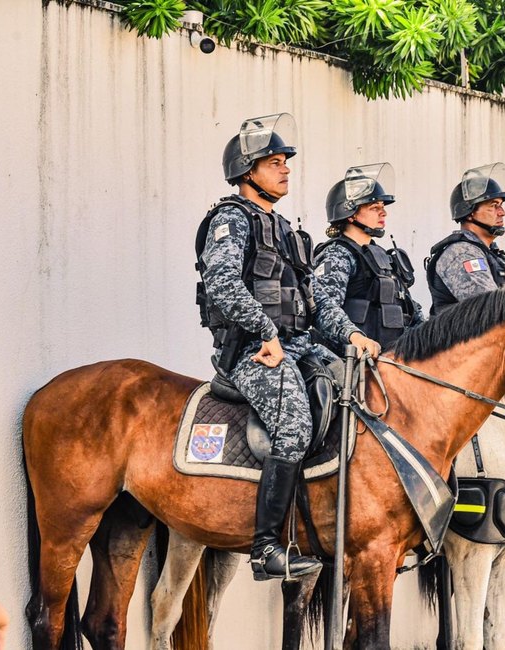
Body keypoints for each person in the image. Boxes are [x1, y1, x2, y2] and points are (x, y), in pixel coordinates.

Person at [195, 113, 332, 580]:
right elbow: (224, 286)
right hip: (252, 352)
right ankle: (265, 547)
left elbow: (313, 301)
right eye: (274, 163)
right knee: (294, 425)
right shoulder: (231, 220)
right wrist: (268, 333)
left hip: (294, 345)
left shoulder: (288, 230)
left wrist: (353, 338)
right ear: (248, 171)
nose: (286, 169)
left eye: (285, 163)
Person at [313, 164, 420, 353]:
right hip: (355, 363)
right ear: (351, 214)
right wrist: (355, 337)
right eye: (374, 207)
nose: (383, 212)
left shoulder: (382, 257)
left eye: (382, 207)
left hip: (395, 359)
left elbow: (410, 310)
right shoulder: (338, 255)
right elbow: (325, 311)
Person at [426, 163, 505, 314]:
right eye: (493, 205)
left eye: (501, 205)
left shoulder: (492, 254)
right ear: (469, 212)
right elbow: (490, 308)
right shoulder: (461, 253)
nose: (502, 212)